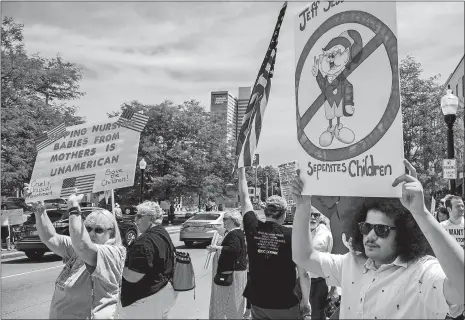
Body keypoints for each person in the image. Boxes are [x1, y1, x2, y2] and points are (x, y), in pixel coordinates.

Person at [291, 160, 465, 319]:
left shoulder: (422, 273)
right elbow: (304, 257)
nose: (370, 236)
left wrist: (421, 213)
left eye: (382, 229)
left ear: (404, 234)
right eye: (366, 227)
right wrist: (303, 206)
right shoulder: (351, 264)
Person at [24, 185, 126, 319]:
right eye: (88, 228)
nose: (91, 233)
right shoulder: (77, 248)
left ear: (111, 233)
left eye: (99, 230)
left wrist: (73, 208)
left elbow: (83, 246)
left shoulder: (113, 252)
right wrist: (39, 208)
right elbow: (50, 237)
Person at [237, 167, 310, 319]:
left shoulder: (252, 228)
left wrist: (241, 171)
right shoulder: (292, 235)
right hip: (284, 304)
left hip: (258, 302)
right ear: (284, 214)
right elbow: (303, 273)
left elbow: (245, 199)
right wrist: (306, 301)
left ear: (265, 212)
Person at [121, 201, 177, 319]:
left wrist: (119, 266)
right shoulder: (162, 233)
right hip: (164, 291)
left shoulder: (144, 242)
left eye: (139, 216)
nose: (135, 220)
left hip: (146, 299)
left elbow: (133, 276)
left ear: (150, 218)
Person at [208, 210, 247, 319]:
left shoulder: (234, 234)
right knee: (234, 301)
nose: (223, 221)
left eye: (225, 219)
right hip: (236, 270)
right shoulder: (236, 232)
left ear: (234, 220)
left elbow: (234, 250)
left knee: (230, 302)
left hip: (232, 272)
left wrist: (216, 248)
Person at [298, 206, 334, 320]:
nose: (313, 218)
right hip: (300, 283)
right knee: (299, 314)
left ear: (321, 217)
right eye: (310, 214)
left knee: (318, 315)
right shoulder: (298, 231)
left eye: (316, 215)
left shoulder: (326, 234)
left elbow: (331, 261)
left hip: (319, 282)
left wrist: (333, 289)